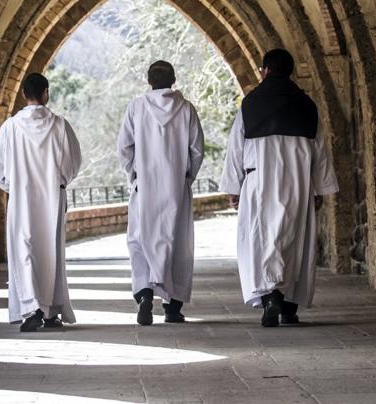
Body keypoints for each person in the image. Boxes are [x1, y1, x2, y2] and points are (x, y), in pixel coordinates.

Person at [219, 49, 339, 327]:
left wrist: (234, 187)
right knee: (294, 242)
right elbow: (320, 149)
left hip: (259, 181)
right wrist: (319, 189)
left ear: (265, 71)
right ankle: (288, 306)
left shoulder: (250, 105)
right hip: (297, 183)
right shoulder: (307, 105)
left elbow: (236, 149)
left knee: (261, 241)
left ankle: (269, 297)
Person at [0, 72, 82, 332]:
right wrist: (58, 182)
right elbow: (73, 163)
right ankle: (51, 311)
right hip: (52, 197)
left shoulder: (11, 128)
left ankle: (31, 310)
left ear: (23, 95)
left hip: (22, 200)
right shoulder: (61, 126)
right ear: (46, 92)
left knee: (25, 250)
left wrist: (12, 185)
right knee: (51, 252)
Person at [117, 61, 204, 325]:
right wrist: (186, 175)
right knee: (177, 245)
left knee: (141, 240)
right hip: (176, 187)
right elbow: (197, 150)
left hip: (144, 186)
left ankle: (145, 295)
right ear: (174, 79)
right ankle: (172, 308)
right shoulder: (186, 109)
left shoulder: (136, 107)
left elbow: (124, 147)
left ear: (148, 81)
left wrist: (134, 174)